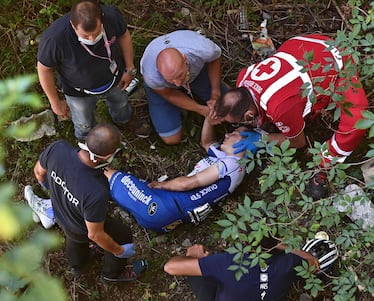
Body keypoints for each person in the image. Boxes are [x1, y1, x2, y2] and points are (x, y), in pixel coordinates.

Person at [212, 34, 369, 200]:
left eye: (238, 123)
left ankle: (324, 167)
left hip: (338, 64)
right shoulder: (243, 78)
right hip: (304, 45)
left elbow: (298, 142)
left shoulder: (279, 108)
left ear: (248, 114)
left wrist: (262, 139)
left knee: (357, 121)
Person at [26, 119, 248, 233]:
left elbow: (187, 183)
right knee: (104, 184)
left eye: (234, 134)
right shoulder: (227, 158)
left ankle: (52, 209)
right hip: (169, 216)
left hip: (163, 207)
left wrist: (160, 186)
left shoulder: (231, 163)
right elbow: (207, 143)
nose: (228, 134)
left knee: (100, 173)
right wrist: (209, 117)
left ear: (244, 144)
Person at [30, 123, 146, 282]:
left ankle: (78, 266)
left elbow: (38, 172)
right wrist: (119, 251)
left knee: (75, 239)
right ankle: (112, 275)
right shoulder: (96, 190)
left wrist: (56, 191)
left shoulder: (58, 149)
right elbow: (95, 234)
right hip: (80, 227)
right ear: (108, 156)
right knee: (122, 234)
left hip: (60, 212)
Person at [37, 0, 150, 140]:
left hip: (115, 78)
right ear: (73, 25)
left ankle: (124, 120)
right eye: (85, 36)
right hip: (78, 92)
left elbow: (124, 35)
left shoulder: (112, 16)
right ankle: (88, 140)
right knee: (83, 122)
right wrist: (55, 102)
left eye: (96, 33)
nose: (92, 38)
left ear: (102, 19)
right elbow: (44, 69)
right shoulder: (55, 40)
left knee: (121, 103)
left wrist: (129, 68)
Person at [164, 238, 339, 301]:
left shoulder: (228, 263)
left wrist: (192, 256)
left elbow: (170, 267)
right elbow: (313, 263)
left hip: (221, 293)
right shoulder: (289, 264)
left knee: (195, 263)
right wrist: (284, 246)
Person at [140, 30, 227, 145]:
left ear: (185, 59)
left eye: (179, 75)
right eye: (170, 79)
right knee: (171, 139)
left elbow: (215, 59)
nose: (177, 84)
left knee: (228, 106)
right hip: (164, 89)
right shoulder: (152, 75)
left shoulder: (203, 49)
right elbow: (169, 94)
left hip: (196, 73)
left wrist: (215, 93)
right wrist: (201, 109)